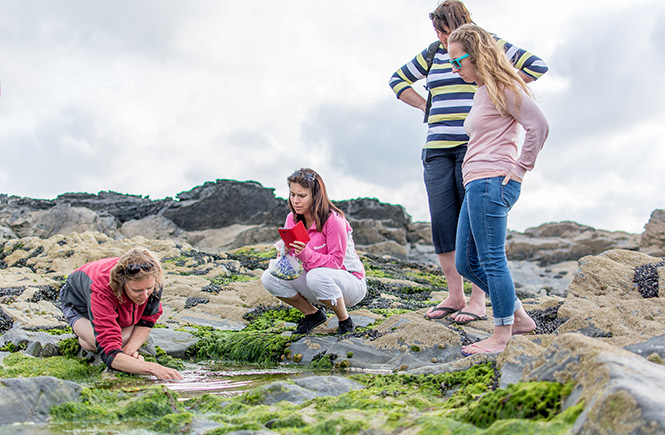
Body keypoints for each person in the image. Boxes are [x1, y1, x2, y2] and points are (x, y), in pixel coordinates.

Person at [389, 0, 548, 324]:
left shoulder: (486, 44)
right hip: (437, 145)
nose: (444, 41)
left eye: (446, 30)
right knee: (444, 222)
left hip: (479, 151)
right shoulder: (434, 53)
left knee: (479, 239)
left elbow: (536, 67)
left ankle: (480, 302)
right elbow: (397, 80)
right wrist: (426, 107)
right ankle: (456, 294)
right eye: (438, 31)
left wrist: (498, 87)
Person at [446, 23, 547, 354]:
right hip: (475, 182)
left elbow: (539, 126)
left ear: (476, 56)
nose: (453, 67)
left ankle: (501, 334)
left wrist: (520, 170)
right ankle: (517, 315)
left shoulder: (505, 86)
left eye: (457, 61)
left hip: (493, 181)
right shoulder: (481, 92)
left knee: (490, 258)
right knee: (465, 262)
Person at [261, 168, 367, 336]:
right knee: (269, 277)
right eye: (292, 194)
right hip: (317, 281)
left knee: (316, 276)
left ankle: (345, 321)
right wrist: (285, 251)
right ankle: (313, 314)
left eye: (302, 196)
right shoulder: (292, 218)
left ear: (315, 195)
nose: (295, 201)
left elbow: (336, 263)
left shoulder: (333, 221)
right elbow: (294, 263)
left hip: (349, 282)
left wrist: (305, 253)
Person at [58, 248, 183, 380]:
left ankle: (121, 333)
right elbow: (109, 354)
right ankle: (85, 334)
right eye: (137, 290)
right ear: (122, 284)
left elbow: (147, 319)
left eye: (149, 289)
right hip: (79, 304)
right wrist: (152, 368)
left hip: (121, 302)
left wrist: (129, 350)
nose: (145, 295)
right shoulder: (102, 289)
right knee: (95, 344)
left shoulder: (153, 278)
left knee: (122, 339)